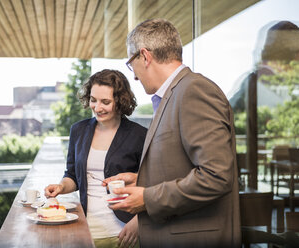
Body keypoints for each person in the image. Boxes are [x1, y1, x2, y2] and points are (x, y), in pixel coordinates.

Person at [104, 18, 241, 247]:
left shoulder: (193, 91)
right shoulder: (174, 94)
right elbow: (186, 166)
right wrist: (142, 179)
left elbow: (216, 176)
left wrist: (146, 198)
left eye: (131, 64)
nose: (135, 76)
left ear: (145, 56)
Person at [44, 69, 147, 248]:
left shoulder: (140, 135)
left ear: (120, 101)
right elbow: (72, 175)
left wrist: (138, 221)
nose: (97, 108)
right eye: (93, 100)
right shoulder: (78, 130)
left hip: (124, 232)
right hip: (83, 230)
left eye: (105, 102)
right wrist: (61, 186)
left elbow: (151, 184)